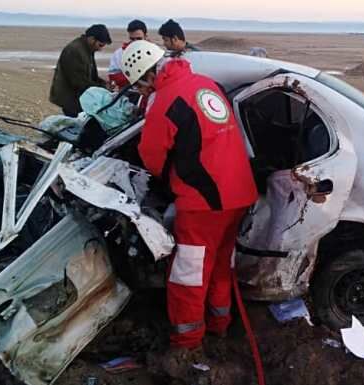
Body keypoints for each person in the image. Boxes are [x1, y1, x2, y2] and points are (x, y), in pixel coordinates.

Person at [120, 40, 257, 373]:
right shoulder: (205, 83)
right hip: (238, 194)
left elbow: (151, 159)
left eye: (138, 84)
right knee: (220, 266)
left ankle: (188, 345)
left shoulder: (164, 100)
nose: (141, 89)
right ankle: (218, 327)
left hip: (204, 203)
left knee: (189, 275)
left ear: (146, 77)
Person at [49, 24, 111, 117]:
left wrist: (103, 83)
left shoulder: (87, 48)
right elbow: (79, 82)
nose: (100, 49)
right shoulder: (75, 50)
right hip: (71, 100)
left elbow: (91, 75)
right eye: (100, 45)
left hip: (79, 97)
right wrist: (103, 88)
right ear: (92, 39)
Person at [108, 19, 148, 88]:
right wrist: (136, 80)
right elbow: (113, 76)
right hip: (126, 92)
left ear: (145, 36)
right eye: (132, 39)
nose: (135, 42)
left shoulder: (155, 54)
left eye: (139, 39)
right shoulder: (119, 54)